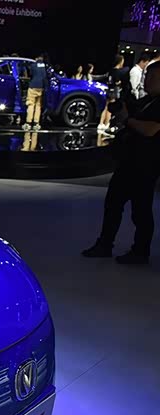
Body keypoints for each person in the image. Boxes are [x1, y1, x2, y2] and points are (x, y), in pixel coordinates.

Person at [82, 61, 160, 265]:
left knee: (140, 210)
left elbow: (151, 130)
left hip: (146, 164)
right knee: (114, 204)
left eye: (153, 77)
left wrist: (127, 120)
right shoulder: (147, 101)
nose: (148, 81)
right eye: (147, 76)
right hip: (130, 161)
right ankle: (105, 244)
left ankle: (140, 251)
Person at [24, 54, 48, 131]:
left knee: (31, 104)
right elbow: (45, 77)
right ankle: (36, 123)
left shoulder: (33, 65)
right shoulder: (45, 66)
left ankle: (28, 123)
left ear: (36, 58)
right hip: (41, 87)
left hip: (33, 86)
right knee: (38, 105)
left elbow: (30, 74)